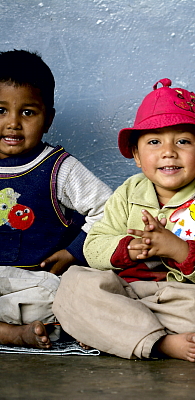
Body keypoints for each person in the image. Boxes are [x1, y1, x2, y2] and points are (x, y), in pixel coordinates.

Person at [52, 79, 195, 362]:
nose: (168, 151)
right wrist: (125, 249)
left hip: (173, 296)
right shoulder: (128, 192)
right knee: (74, 284)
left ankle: (119, 334)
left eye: (183, 141)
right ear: (137, 155)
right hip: (121, 290)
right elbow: (93, 247)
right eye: (154, 141)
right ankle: (159, 342)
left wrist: (177, 249)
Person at [0, 50, 111, 349]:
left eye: (27, 112)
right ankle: (14, 333)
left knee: (58, 302)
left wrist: (74, 252)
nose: (13, 123)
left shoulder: (58, 168)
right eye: (1, 111)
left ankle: (25, 330)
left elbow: (109, 209)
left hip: (36, 285)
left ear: (48, 119)